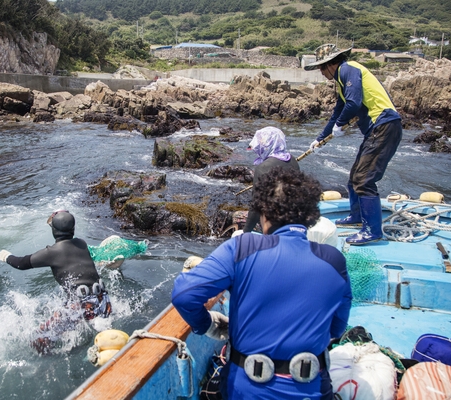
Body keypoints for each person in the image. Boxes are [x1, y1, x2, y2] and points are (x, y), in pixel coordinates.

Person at [172, 168, 352, 399]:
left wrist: (207, 325)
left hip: (245, 390)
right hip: (312, 390)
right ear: (309, 215)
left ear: (264, 213)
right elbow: (336, 328)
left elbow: (184, 295)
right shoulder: (334, 261)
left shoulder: (242, 248)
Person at [304, 44, 403, 245]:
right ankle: (357, 216)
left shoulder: (349, 69)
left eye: (322, 68)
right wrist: (320, 138)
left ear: (331, 64)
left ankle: (372, 231)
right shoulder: (341, 81)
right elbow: (338, 112)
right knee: (354, 178)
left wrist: (340, 125)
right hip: (376, 130)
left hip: (384, 124)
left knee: (364, 180)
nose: (321, 73)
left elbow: (354, 103)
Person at [0, 210, 111, 353]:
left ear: (53, 231)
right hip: (104, 302)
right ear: (73, 229)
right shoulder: (82, 243)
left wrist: (6, 256)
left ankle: (54, 358)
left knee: (39, 339)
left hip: (82, 307)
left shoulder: (52, 252)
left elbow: (21, 263)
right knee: (68, 312)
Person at [243, 126, 299, 233]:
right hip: (294, 218)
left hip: (274, 223)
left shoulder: (263, 168)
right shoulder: (292, 160)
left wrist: (245, 232)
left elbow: (257, 205)